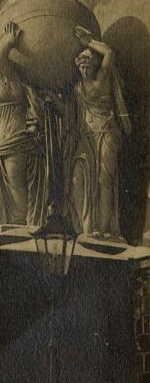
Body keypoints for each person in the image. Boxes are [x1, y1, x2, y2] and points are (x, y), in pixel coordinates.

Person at [0, 22, 46, 227]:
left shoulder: (13, 81)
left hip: (16, 138)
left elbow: (0, 58)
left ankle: (21, 225)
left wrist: (7, 42)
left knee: (16, 181)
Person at [70, 26, 131, 238]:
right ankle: (88, 227)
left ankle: (105, 229)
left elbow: (110, 53)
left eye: (88, 59)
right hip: (86, 138)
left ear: (95, 64)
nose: (84, 63)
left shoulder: (102, 77)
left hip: (106, 133)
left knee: (105, 178)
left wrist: (89, 42)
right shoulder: (78, 89)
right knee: (79, 177)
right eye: (81, 60)